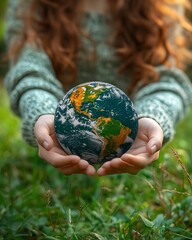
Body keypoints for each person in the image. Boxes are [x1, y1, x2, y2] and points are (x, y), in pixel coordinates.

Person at [4, 0, 192, 176]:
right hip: (62, 138)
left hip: (128, 141)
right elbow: (30, 72)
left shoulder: (162, 6)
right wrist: (43, 113)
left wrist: (153, 117)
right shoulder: (28, 4)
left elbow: (165, 80)